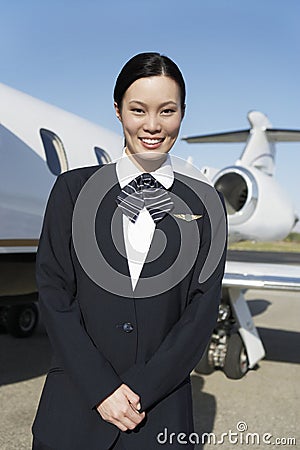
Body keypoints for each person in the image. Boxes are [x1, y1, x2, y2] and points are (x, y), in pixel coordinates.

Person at [32, 52, 227, 450]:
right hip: (75, 408)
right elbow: (54, 294)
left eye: (167, 111)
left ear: (183, 113)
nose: (153, 126)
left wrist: (140, 388)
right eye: (138, 110)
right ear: (118, 110)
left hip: (159, 415)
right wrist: (101, 388)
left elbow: (200, 311)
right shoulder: (71, 191)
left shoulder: (207, 205)